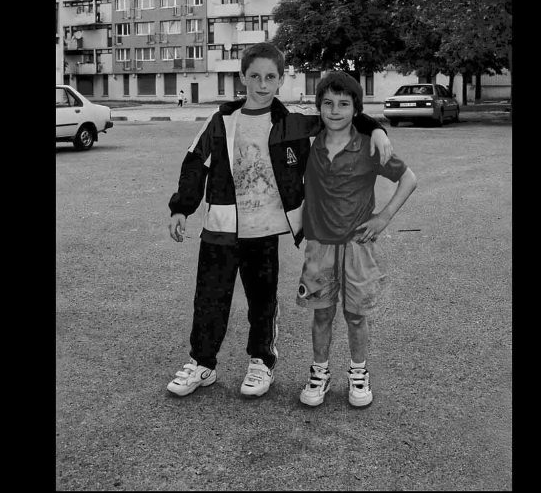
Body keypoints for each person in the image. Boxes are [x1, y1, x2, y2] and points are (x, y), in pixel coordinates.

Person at [166, 43, 394, 398]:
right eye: (255, 76)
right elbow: (195, 162)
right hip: (219, 228)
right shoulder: (221, 120)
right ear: (242, 77)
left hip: (264, 230)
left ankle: (261, 363)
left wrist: (376, 128)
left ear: (281, 79)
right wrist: (181, 207)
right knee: (209, 299)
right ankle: (202, 364)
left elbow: (340, 115)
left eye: (270, 77)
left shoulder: (292, 121)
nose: (262, 84)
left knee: (262, 301)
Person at [295, 71, 417, 408]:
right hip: (319, 245)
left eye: (344, 104)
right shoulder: (309, 142)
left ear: (356, 109)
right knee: (322, 314)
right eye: (328, 103)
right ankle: (320, 372)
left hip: (357, 247)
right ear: (318, 107)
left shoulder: (369, 145)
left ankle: (358, 372)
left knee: (356, 316)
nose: (335, 111)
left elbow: (409, 179)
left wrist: (383, 217)